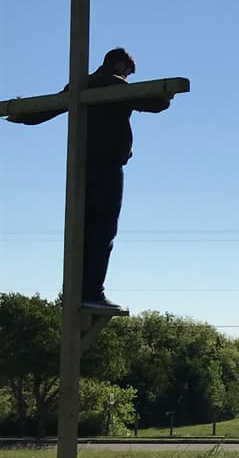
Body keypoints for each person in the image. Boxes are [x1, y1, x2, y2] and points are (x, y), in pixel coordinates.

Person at [5, 47, 170, 311]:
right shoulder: (115, 85)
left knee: (80, 230)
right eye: (128, 73)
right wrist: (166, 94)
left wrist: (21, 115)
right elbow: (156, 104)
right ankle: (92, 291)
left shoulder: (80, 86)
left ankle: (73, 290)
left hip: (80, 166)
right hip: (107, 167)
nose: (127, 78)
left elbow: (50, 107)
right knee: (103, 231)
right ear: (119, 65)